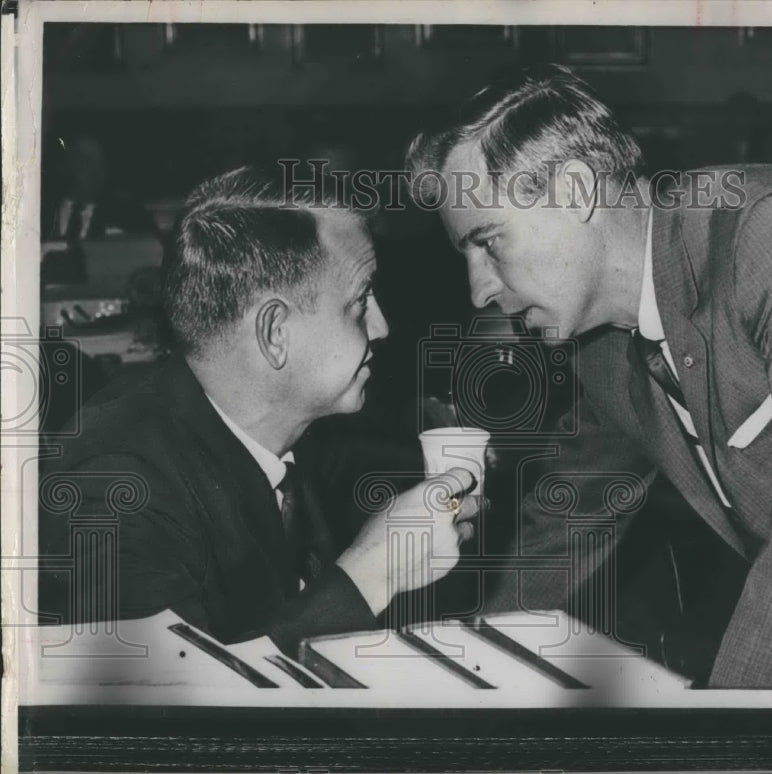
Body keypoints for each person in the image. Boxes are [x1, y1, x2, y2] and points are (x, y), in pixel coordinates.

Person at [406, 65, 772, 689]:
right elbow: (567, 521)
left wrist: (727, 735)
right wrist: (476, 676)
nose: (479, 290)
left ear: (575, 190)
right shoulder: (600, 345)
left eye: (487, 243)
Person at [38, 166, 479, 654]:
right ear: (274, 334)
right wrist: (374, 573)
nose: (382, 326)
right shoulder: (115, 491)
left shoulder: (266, 423)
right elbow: (174, 709)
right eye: (360, 302)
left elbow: (346, 461)